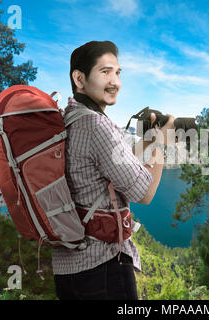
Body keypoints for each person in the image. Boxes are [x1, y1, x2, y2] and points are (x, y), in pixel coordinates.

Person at [52, 40, 175, 300]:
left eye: (118, 73)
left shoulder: (69, 117)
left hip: (68, 268)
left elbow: (117, 167)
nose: (115, 82)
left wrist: (149, 139)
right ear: (79, 78)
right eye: (105, 72)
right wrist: (162, 144)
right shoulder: (97, 125)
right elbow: (144, 192)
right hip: (102, 267)